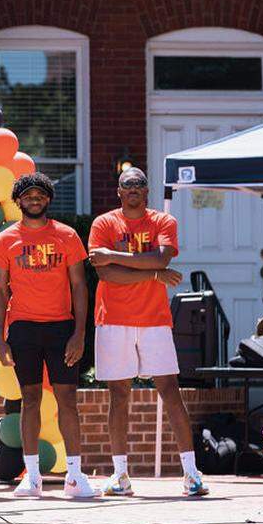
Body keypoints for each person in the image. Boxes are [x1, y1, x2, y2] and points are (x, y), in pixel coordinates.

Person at [87, 166, 208, 498]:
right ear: (119, 192)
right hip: (113, 318)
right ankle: (121, 475)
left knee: (171, 390)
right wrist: (154, 274)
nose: (134, 189)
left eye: (139, 184)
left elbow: (162, 257)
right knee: (118, 395)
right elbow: (108, 275)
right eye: (128, 185)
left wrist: (116, 255)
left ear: (147, 191)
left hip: (154, 319)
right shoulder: (104, 223)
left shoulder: (162, 222)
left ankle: (191, 474)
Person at [0, 172, 93, 499]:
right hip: (23, 328)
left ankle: (74, 477)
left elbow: (79, 285)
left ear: (48, 199)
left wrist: (79, 332)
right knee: (29, 399)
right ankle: (31, 476)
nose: (34, 199)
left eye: (40, 195)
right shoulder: (6, 239)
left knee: (67, 399)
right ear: (18, 201)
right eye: (28, 195)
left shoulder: (67, 235)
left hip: (61, 327)